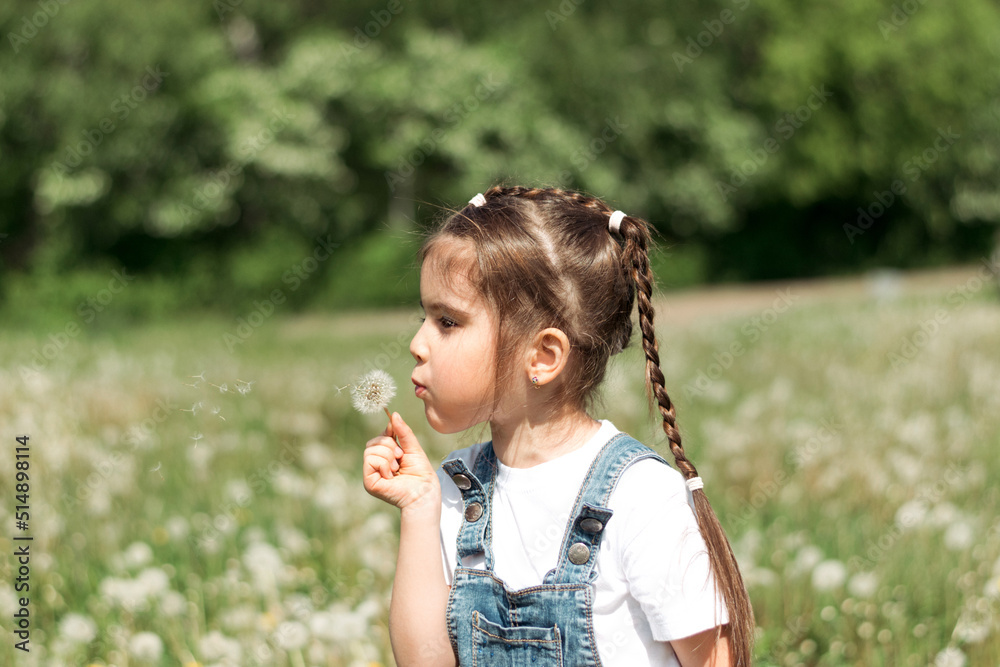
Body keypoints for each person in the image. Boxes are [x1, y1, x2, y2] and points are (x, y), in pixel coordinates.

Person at [362, 185, 754, 666]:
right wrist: (420, 510)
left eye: (447, 322)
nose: (417, 343)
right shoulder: (456, 491)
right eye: (423, 316)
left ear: (544, 356)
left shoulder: (640, 496)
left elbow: (715, 660)